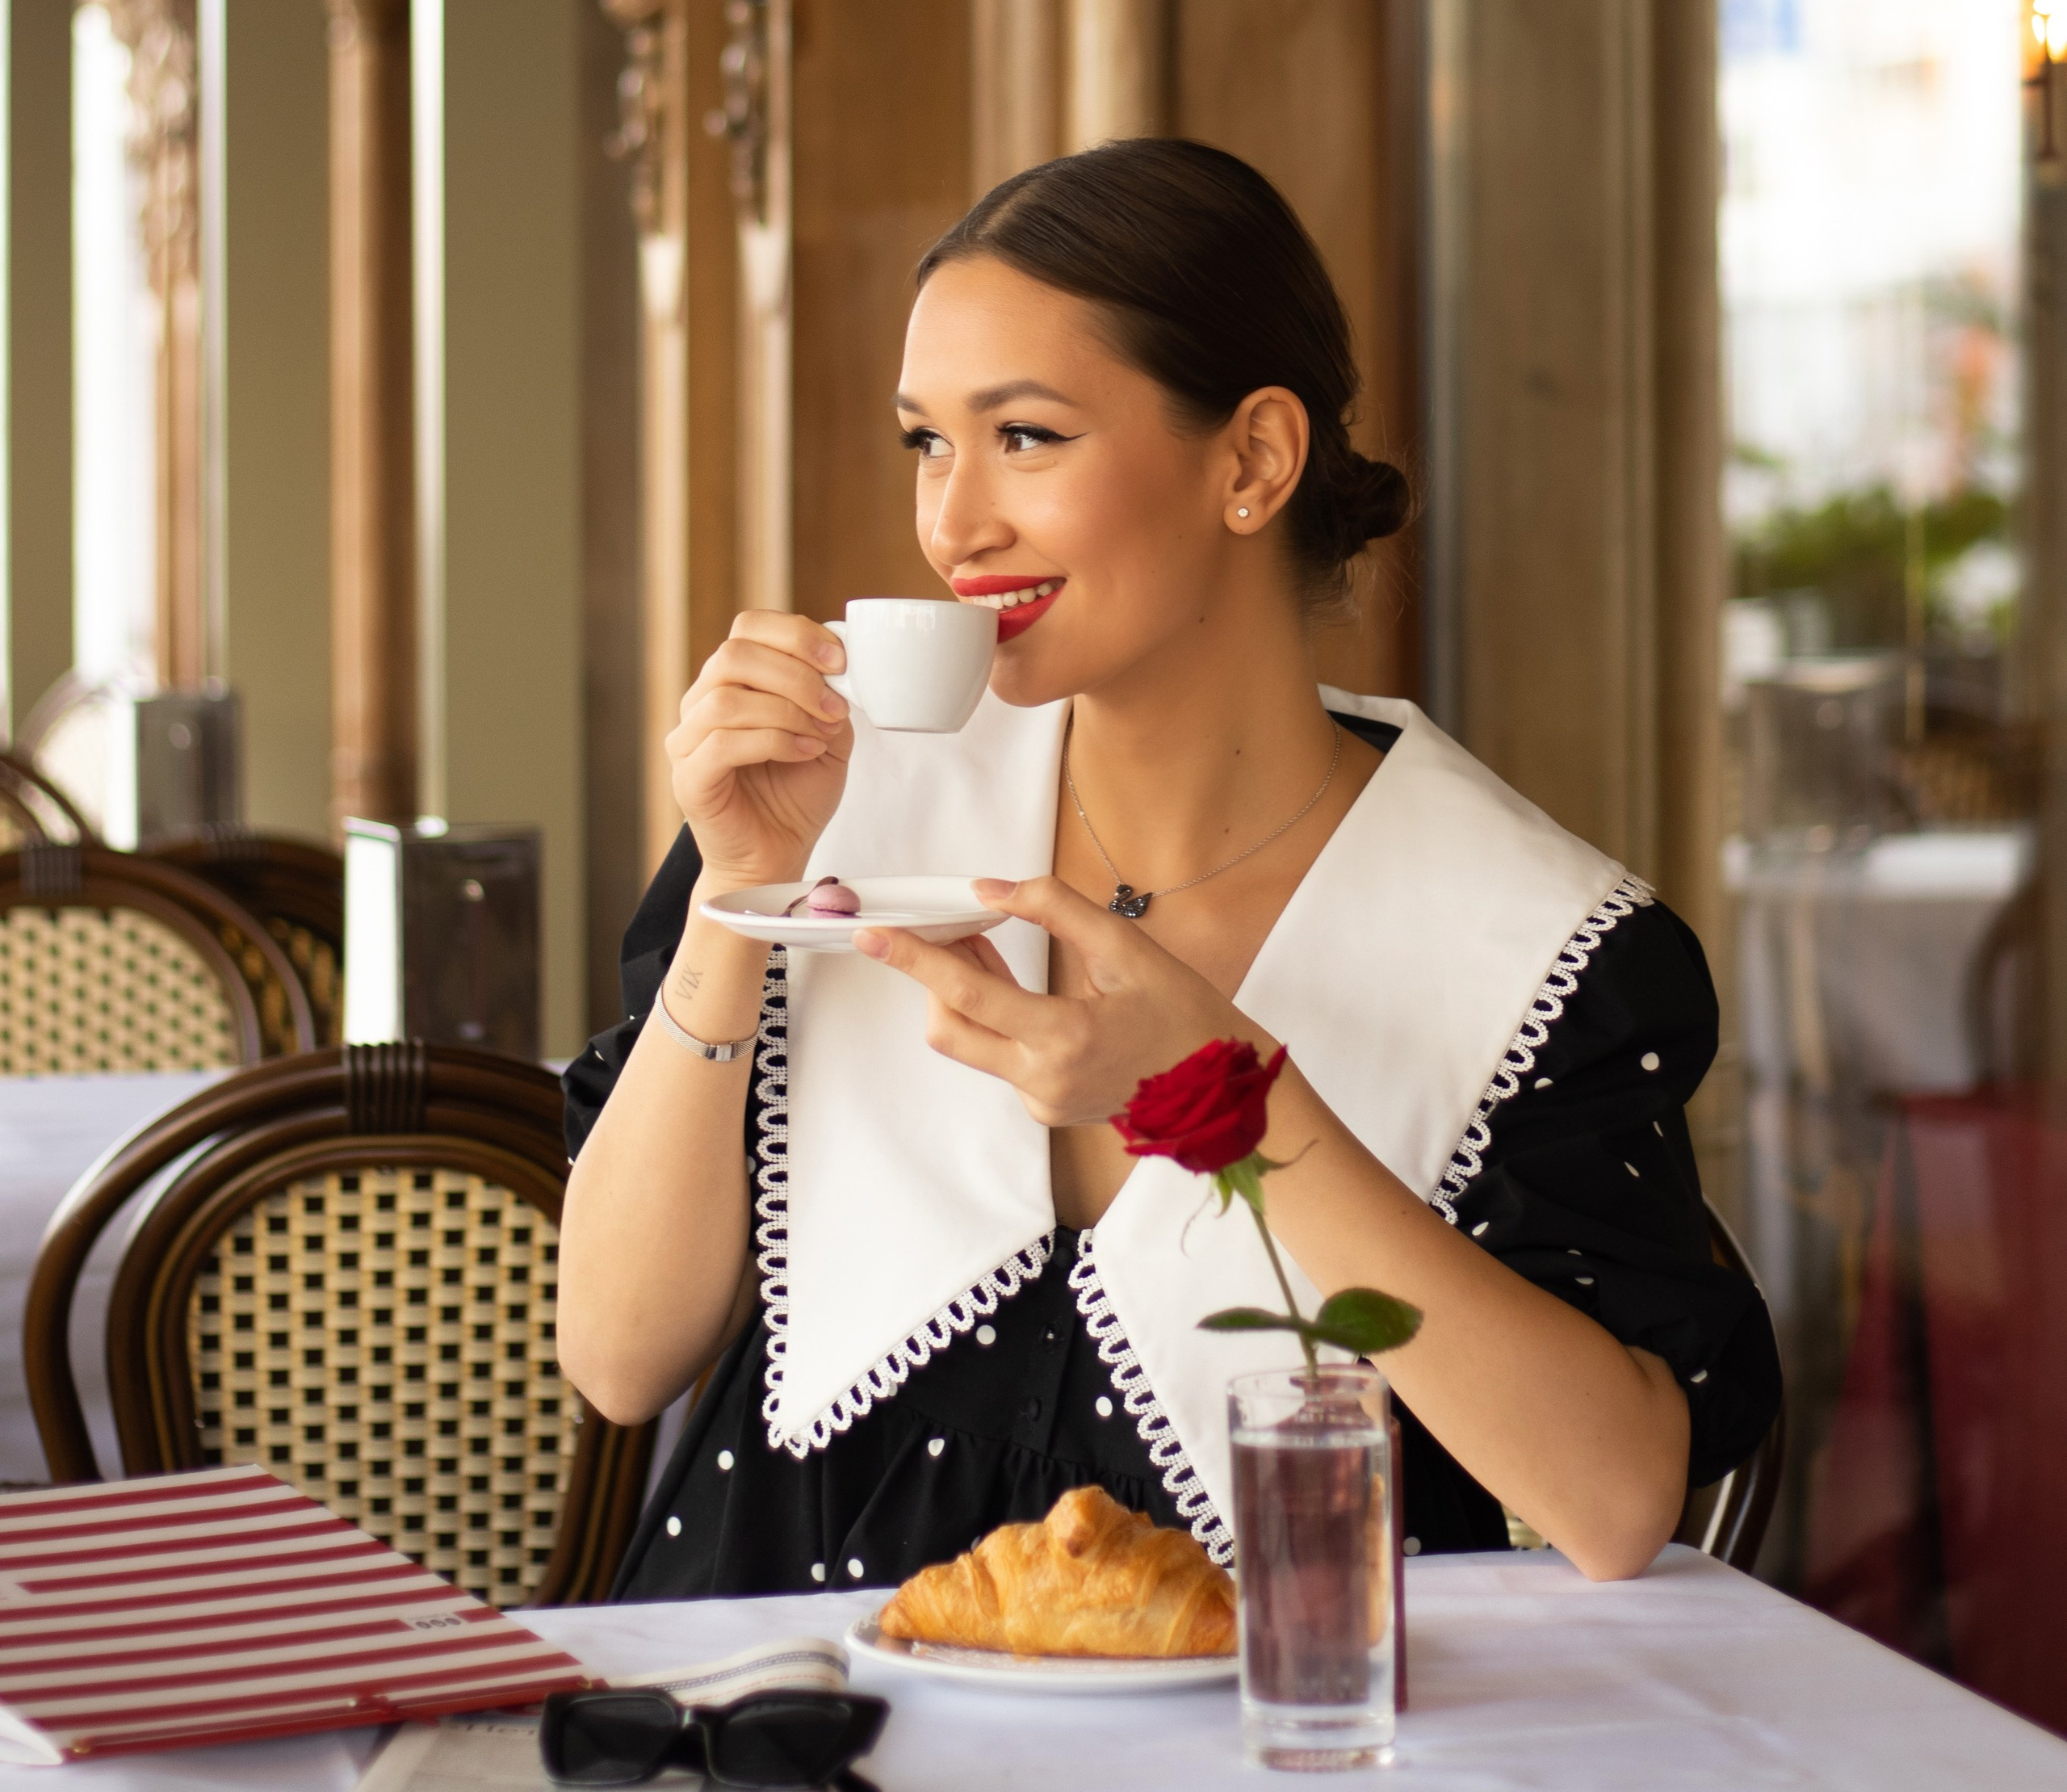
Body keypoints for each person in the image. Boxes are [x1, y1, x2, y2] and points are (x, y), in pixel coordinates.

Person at [560, 141, 1780, 1599]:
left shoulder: (1534, 939)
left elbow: (1614, 1498)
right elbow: (621, 1359)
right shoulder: (822, 811)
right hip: (793, 1717)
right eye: (926, 443)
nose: (953, 524)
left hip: (1269, 1737)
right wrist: (736, 898)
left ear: (1253, 460)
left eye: (1026, 437)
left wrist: (1234, 1099)